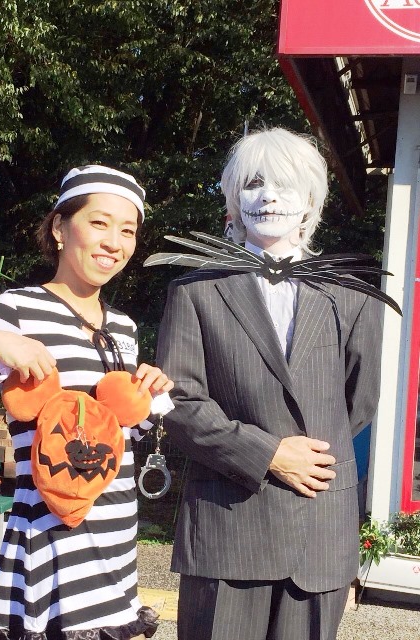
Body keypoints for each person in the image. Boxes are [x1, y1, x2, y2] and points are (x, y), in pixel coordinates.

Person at [155, 127, 382, 640]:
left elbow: (359, 402)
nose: (269, 196)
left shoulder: (352, 294)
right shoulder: (197, 290)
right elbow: (178, 400)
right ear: (233, 200)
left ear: (310, 202)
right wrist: (270, 454)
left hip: (319, 528)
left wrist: (311, 451)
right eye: (253, 184)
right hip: (227, 526)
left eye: (285, 183)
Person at [0, 164, 173, 640]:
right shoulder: (15, 309)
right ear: (60, 228)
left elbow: (124, 436)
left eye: (127, 230)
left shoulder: (124, 328)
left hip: (115, 534)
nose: (114, 242)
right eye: (99, 223)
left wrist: (153, 398)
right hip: (46, 537)